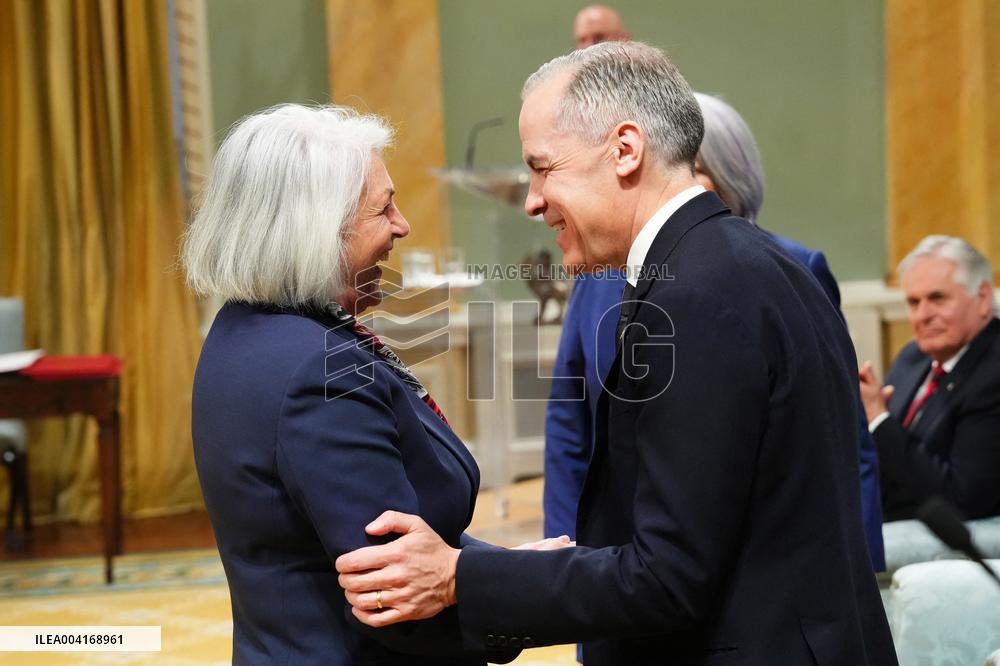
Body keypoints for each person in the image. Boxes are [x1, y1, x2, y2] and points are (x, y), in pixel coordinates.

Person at [337, 43, 896, 665]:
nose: (531, 199)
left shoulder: (699, 295)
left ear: (625, 150)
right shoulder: (743, 262)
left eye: (542, 168)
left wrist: (458, 578)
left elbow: (668, 576)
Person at [181, 104, 527, 665]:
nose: (402, 224)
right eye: (384, 207)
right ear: (317, 230)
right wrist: (533, 593)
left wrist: (502, 567)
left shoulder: (246, 331)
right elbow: (394, 600)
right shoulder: (316, 371)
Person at [544, 91, 887, 570]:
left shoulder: (794, 266)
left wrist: (862, 565)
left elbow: (841, 435)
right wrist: (565, 559)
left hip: (751, 566)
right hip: (615, 572)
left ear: (731, 179)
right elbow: (569, 424)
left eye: (693, 173)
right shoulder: (598, 274)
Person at [859, 235, 1000, 521]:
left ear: (983, 298)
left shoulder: (993, 373)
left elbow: (962, 497)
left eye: (937, 298)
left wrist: (877, 418)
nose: (922, 315)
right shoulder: (915, 356)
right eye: (913, 302)